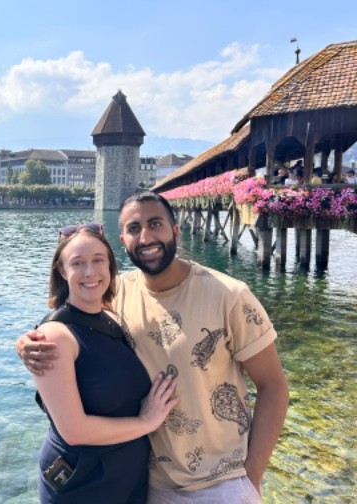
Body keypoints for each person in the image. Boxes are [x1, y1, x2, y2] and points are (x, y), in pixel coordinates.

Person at [17, 192, 289, 503]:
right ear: (123, 240)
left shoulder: (230, 295)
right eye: (134, 228)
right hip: (151, 484)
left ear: (176, 231)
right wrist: (28, 342)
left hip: (221, 484)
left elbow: (273, 387)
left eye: (155, 224)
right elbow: (72, 321)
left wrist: (251, 478)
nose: (146, 237)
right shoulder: (116, 293)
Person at [32, 223, 178, 503]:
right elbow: (74, 431)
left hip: (129, 478)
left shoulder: (112, 318)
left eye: (98, 260)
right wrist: (146, 422)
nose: (90, 272)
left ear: (110, 265)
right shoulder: (54, 337)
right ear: (62, 271)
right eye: (78, 263)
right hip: (84, 483)